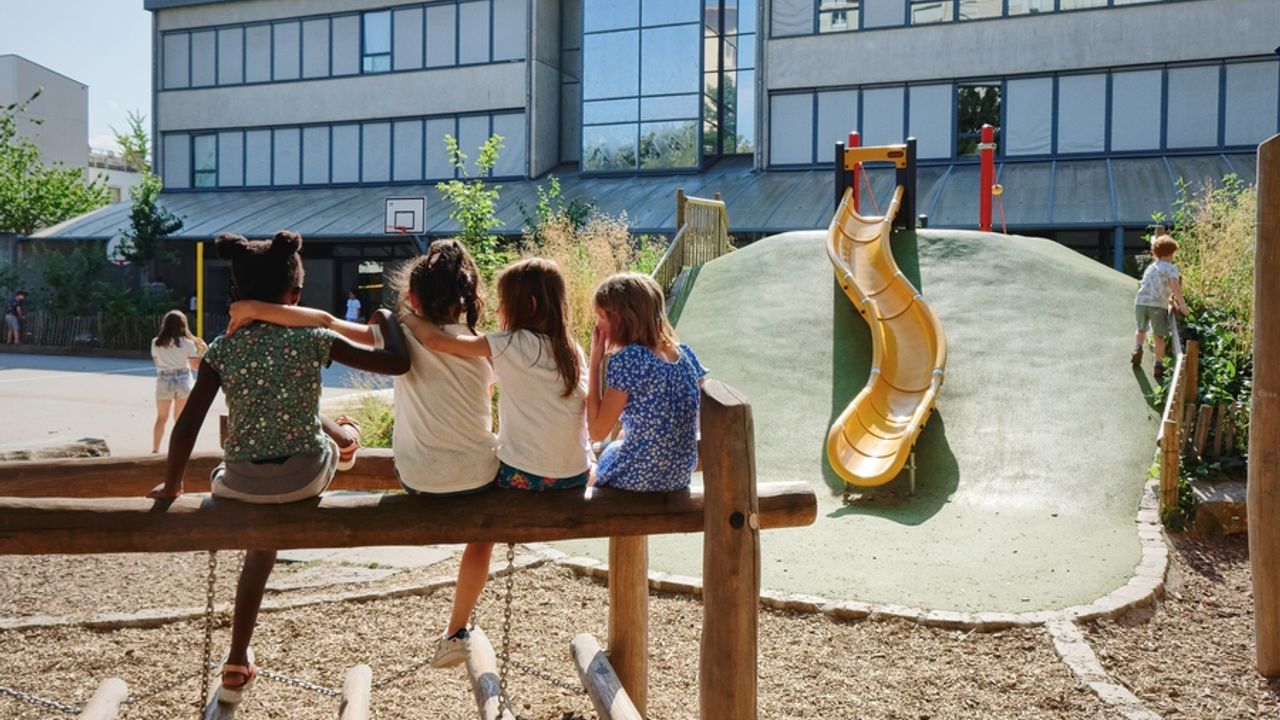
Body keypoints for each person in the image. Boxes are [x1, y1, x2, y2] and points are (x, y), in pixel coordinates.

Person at [146, 230, 408, 705]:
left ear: (238, 297)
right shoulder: (313, 338)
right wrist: (387, 317)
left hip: (243, 483)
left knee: (259, 540)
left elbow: (186, 425)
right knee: (324, 445)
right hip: (306, 474)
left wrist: (172, 482)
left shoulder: (223, 351)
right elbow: (395, 362)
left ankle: (236, 657)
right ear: (295, 296)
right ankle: (345, 447)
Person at [403, 257, 592, 668]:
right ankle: (456, 630)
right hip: (575, 476)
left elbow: (437, 342)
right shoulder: (571, 350)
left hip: (524, 478)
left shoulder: (508, 344)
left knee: (481, 536)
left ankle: (455, 629)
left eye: (505, 302)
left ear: (527, 306)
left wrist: (403, 316)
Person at [586, 272, 708, 491]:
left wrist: (593, 365)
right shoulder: (686, 356)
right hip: (678, 475)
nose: (596, 325)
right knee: (623, 435)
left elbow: (596, 431)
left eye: (600, 317)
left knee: (591, 470)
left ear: (618, 319)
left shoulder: (630, 359)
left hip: (639, 475)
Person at [1132, 234, 1188, 381]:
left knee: (1141, 329)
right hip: (1157, 305)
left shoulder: (1151, 267)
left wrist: (1169, 300)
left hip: (1140, 302)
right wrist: (1182, 304)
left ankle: (1138, 349)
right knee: (1159, 336)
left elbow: (1153, 286)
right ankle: (1158, 365)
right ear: (1171, 253)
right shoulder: (1171, 268)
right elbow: (1174, 285)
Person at [150, 309, 207, 453]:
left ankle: (155, 450)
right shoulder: (188, 343)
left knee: (161, 418)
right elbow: (195, 366)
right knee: (180, 420)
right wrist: (204, 350)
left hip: (164, 379)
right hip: (183, 380)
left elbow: (157, 364)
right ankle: (178, 451)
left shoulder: (156, 342)